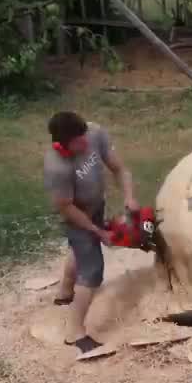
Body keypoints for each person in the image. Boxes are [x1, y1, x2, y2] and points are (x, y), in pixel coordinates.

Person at [43, 110, 138, 353]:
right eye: (78, 141)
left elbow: (120, 169)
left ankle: (65, 291)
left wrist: (129, 197)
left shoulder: (94, 134)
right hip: (76, 215)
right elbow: (66, 207)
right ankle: (74, 333)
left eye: (84, 136)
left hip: (96, 204)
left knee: (81, 250)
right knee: (92, 268)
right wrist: (98, 231)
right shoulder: (57, 168)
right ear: (62, 144)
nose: (85, 143)